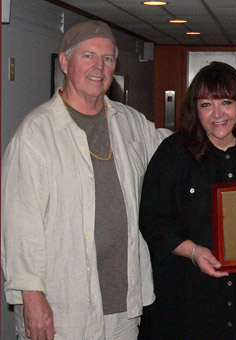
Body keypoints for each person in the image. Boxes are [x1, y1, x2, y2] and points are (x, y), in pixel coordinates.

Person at [1, 20, 169, 340]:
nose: (99, 67)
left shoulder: (130, 123)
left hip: (122, 303)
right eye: (88, 56)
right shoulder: (36, 133)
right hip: (61, 307)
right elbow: (19, 225)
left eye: (107, 59)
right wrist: (32, 299)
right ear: (65, 62)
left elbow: (174, 154)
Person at [138, 61, 236, 339]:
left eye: (226, 102)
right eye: (206, 104)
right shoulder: (174, 153)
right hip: (186, 297)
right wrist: (194, 252)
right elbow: (152, 219)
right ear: (195, 110)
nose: (217, 114)